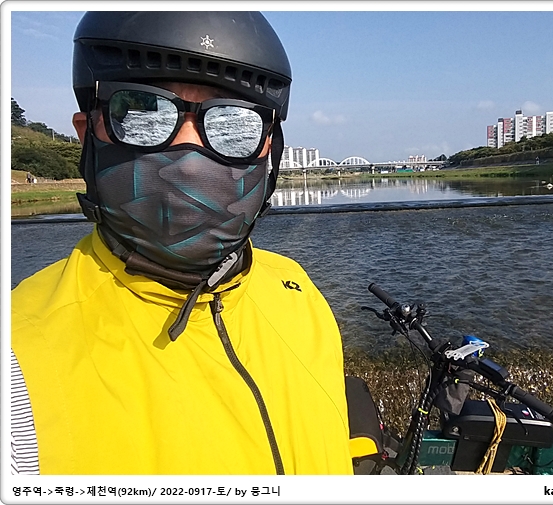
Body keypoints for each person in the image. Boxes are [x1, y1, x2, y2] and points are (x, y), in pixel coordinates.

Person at [11, 11, 353, 475]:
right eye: (144, 114)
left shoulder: (297, 293)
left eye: (233, 124)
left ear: (269, 147)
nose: (188, 154)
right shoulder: (20, 354)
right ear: (88, 132)